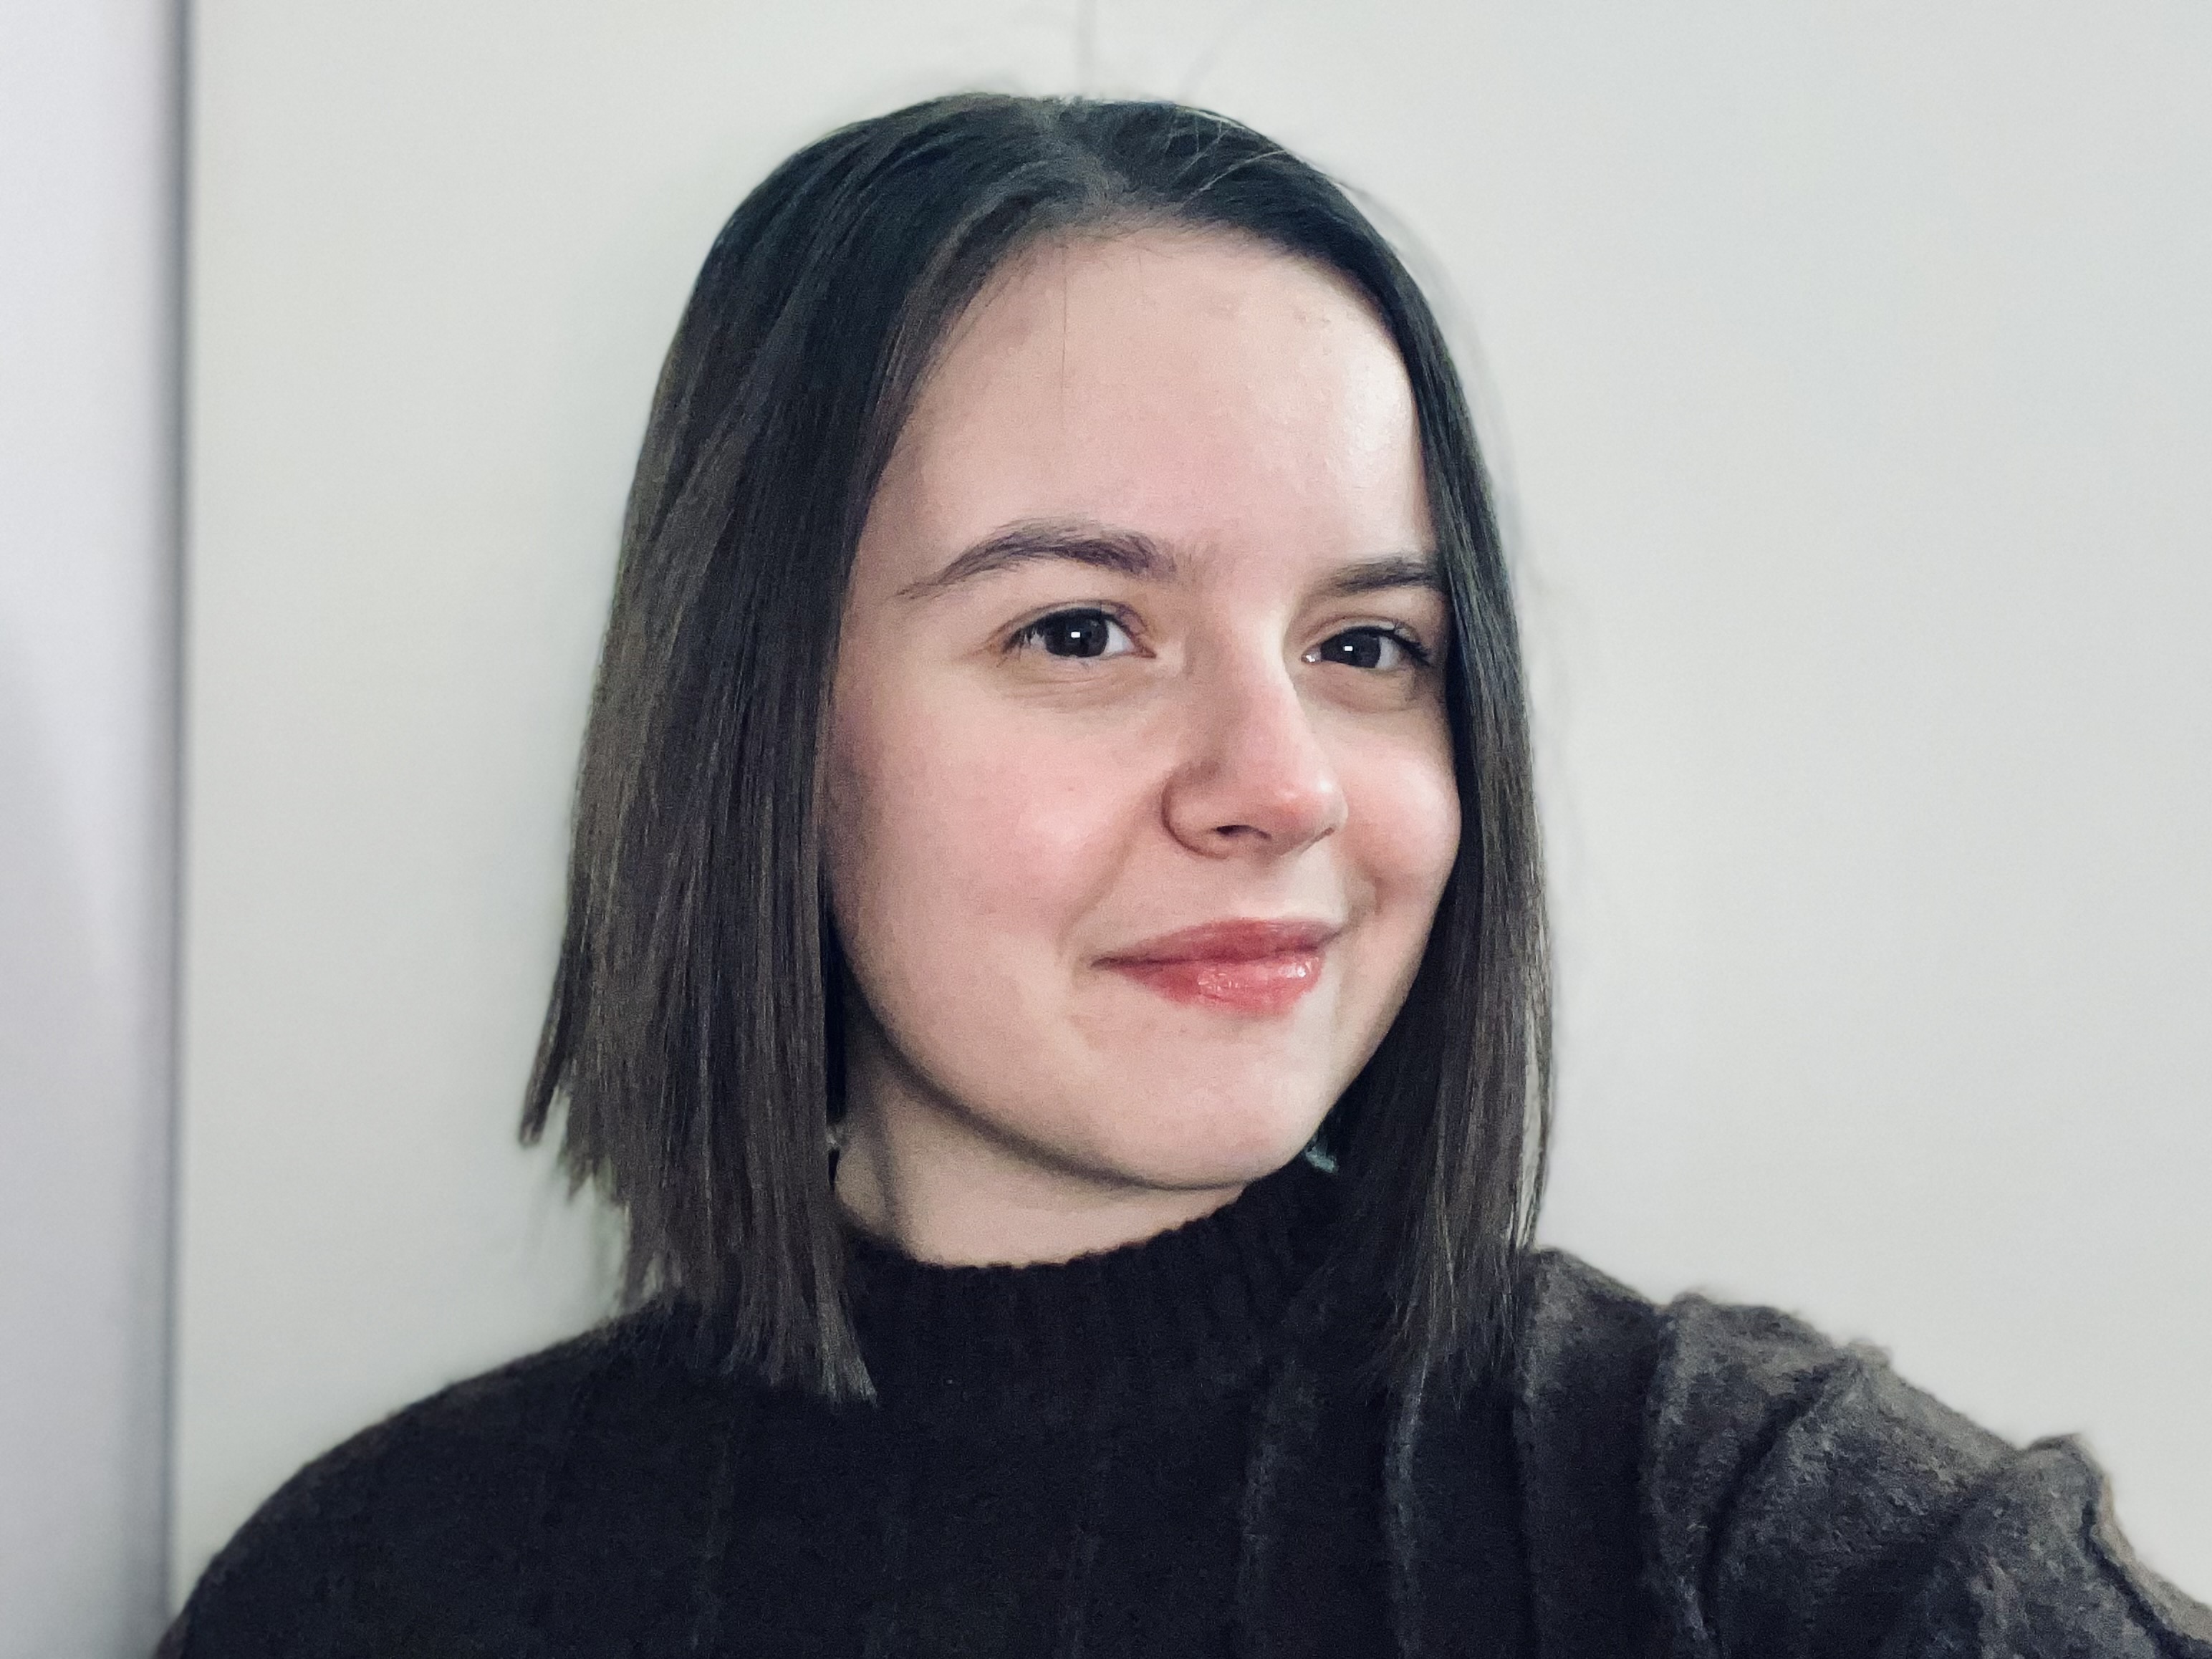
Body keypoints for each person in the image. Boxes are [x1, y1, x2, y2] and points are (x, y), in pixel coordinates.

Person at [159, 92, 2208, 1659]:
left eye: (1367, 645)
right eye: (1080, 631)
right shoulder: (380, 1593)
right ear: (758, 720)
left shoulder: (1754, 1536)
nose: (1284, 786)